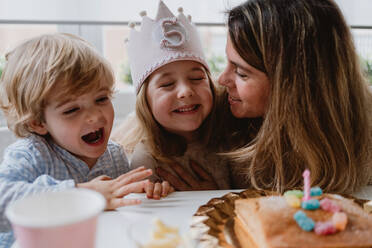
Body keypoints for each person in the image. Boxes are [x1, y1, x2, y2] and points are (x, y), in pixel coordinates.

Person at [162, 0, 372, 194]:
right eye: (227, 63)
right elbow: (141, 132)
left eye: (242, 73)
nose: (222, 80)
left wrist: (229, 199)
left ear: (293, 87)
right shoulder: (211, 106)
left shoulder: (365, 135)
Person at [0, 33, 159, 247]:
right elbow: (3, 200)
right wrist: (82, 195)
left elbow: (122, 210)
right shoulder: (30, 154)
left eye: (101, 99)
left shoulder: (114, 156)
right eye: (72, 109)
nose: (95, 116)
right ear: (38, 122)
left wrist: (148, 191)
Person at [112, 1, 230, 193]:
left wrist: (212, 194)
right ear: (146, 103)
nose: (185, 91)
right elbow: (143, 213)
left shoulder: (229, 141)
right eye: (167, 84)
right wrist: (154, 195)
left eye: (196, 78)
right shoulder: (146, 158)